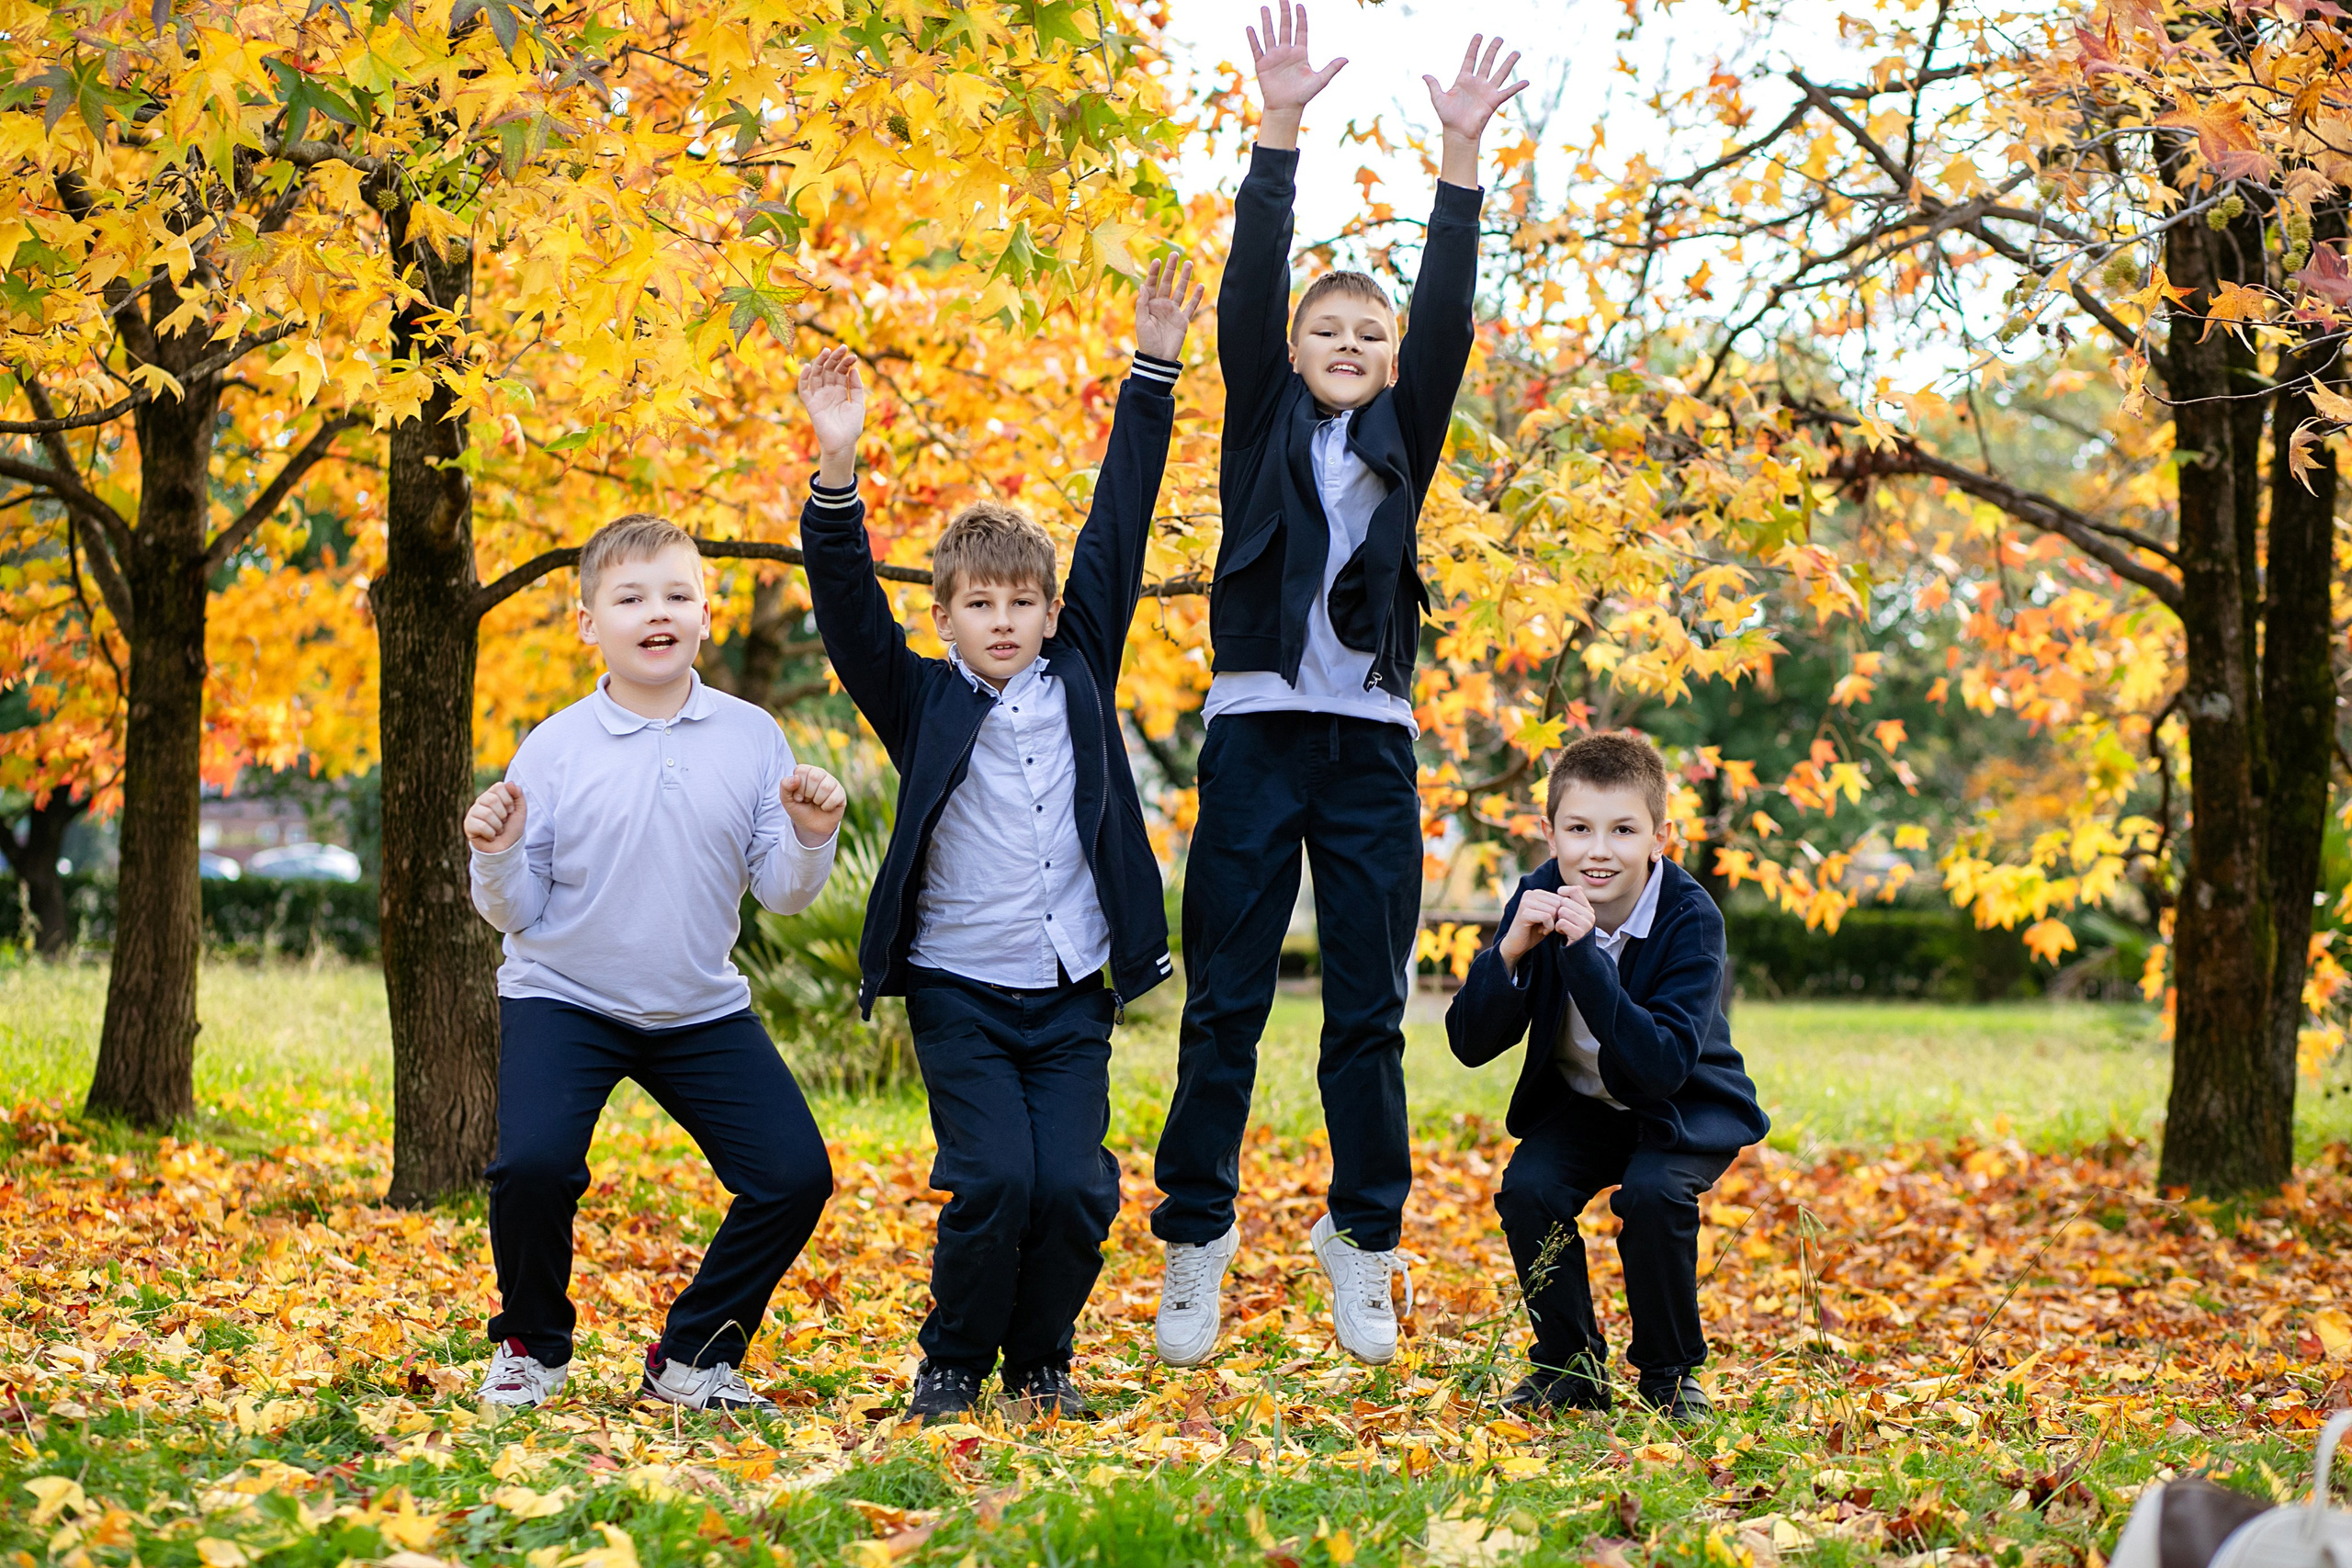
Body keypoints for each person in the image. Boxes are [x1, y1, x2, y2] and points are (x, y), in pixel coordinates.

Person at [1148, 0, 1528, 1369]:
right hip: (1256, 736)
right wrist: (1281, 125)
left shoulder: (1402, 435)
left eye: (1369, 334)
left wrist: (1460, 156)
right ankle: (1198, 1234)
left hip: (1367, 745)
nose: (1357, 343)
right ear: (1299, 353)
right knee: (1226, 1003)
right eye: (1334, 331)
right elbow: (1253, 283)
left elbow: (1447, 310)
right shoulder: (1259, 414)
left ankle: (1362, 1240)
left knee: (1367, 1009)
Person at [797, 257, 1204, 1420]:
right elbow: (842, 600)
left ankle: (1041, 1363)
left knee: (1074, 1190)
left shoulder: (1079, 669)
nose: (1006, 621)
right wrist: (838, 462)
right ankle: (952, 1364)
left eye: (1023, 602)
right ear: (947, 617)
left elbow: (1117, 518)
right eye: (981, 604)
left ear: (1047, 608)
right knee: (993, 1182)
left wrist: (1154, 366)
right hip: (960, 989)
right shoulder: (918, 697)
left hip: (1070, 986)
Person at [463, 514, 849, 1413]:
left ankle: (692, 1358)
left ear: (706, 615)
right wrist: (497, 852)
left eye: (677, 594)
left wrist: (812, 835)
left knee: (793, 1176)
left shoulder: (753, 738)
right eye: (630, 597)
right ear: (589, 622)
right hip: (565, 996)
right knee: (531, 1166)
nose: (657, 612)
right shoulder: (555, 747)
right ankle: (531, 1347)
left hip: (696, 1008)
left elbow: (784, 894)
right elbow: (513, 911)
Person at [1443, 732, 1770, 1421]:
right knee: (1529, 1188)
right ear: (1550, 833)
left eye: (1623, 829)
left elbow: (1658, 1065)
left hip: (1681, 1104)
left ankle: (1670, 1371)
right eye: (1579, 829)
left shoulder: (1689, 916)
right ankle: (1570, 1363)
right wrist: (1508, 950)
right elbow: (1470, 1043)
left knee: (1653, 1195)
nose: (1599, 850)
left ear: (1660, 836)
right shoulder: (1538, 892)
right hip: (1585, 1103)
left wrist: (1586, 955)